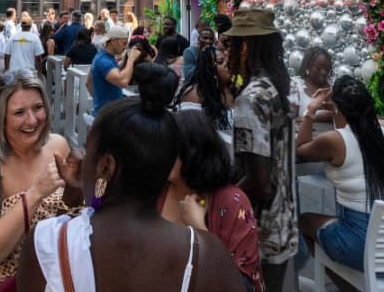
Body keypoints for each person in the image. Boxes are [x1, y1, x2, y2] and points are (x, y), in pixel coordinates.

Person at [18, 63, 245, 292]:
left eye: (88, 149)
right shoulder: (208, 256)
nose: (81, 158)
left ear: (106, 166)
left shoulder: (47, 243)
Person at [0, 69, 81, 291]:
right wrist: (35, 194)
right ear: (0, 118)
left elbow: (66, 215)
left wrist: (81, 188)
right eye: (19, 112)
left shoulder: (58, 145)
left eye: (38, 108)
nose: (32, 120)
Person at [296, 76, 384, 276]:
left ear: (335, 108)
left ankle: (349, 286)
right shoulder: (383, 133)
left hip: (362, 243)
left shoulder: (333, 140)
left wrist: (311, 110)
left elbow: (299, 149)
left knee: (304, 222)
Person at [226, 8, 298, 291]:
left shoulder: (252, 99)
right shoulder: (275, 87)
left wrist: (219, 205)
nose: (228, 51)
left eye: (232, 44)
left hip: (259, 228)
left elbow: (259, 182)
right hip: (283, 222)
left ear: (245, 46)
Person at [162, 109, 263, 292]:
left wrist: (200, 229)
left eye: (172, 150)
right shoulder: (156, 192)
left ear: (193, 154)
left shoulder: (232, 203)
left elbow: (242, 285)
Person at [174, 43, 234, 150]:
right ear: (209, 69)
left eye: (228, 61)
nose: (227, 65)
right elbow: (189, 135)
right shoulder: (195, 94)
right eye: (221, 62)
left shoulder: (235, 89)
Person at [90, 26, 141, 114]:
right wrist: (131, 59)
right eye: (124, 43)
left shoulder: (102, 56)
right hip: (108, 114)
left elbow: (88, 82)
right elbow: (123, 82)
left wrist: (99, 101)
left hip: (104, 110)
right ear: (113, 41)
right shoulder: (104, 61)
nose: (125, 47)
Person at [289, 46, 333, 118]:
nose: (323, 72)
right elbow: (291, 119)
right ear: (307, 66)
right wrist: (315, 117)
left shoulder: (333, 85)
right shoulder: (296, 85)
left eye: (327, 69)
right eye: (318, 68)